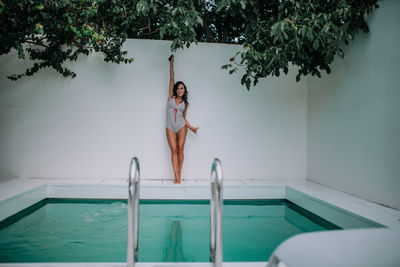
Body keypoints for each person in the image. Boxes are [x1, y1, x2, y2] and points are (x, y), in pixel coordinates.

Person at [166, 55, 199, 184]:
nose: (180, 90)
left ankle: (180, 173)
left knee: (180, 149)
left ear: (184, 90)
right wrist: (171, 63)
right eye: (178, 88)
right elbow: (171, 78)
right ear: (175, 89)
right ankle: (175, 175)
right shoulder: (170, 97)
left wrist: (191, 128)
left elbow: (183, 118)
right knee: (173, 150)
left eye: (182, 88)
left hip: (181, 127)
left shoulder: (185, 103)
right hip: (170, 127)